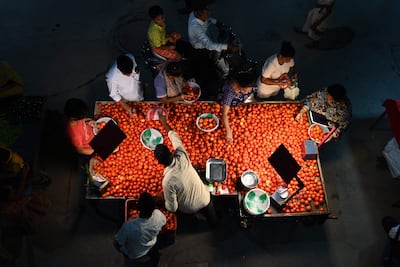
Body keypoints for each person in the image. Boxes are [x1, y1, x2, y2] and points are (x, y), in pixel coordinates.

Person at [154, 113, 217, 227]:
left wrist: (161, 201)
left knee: (189, 217)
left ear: (159, 163)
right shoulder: (182, 156)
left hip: (189, 208)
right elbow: (174, 136)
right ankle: (215, 226)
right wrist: (163, 121)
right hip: (204, 197)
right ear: (171, 152)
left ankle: (196, 221)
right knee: (212, 217)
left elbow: (173, 208)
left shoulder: (168, 181)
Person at [114, 192, 166, 267]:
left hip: (135, 254)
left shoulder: (129, 227)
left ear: (137, 208)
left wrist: (125, 252)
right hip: (151, 248)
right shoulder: (159, 216)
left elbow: (117, 244)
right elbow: (163, 228)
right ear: (154, 207)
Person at [217, 71, 258, 142]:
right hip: (225, 103)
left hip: (236, 106)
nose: (247, 92)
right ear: (239, 85)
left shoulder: (249, 85)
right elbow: (224, 114)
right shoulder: (229, 93)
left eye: (249, 90)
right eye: (245, 90)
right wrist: (228, 131)